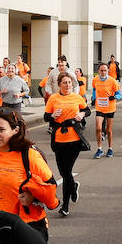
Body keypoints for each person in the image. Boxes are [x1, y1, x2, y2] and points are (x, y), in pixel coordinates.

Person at [0, 107, 59, 240]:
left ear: (15, 130)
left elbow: (51, 187)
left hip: (27, 227)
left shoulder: (30, 156)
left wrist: (33, 197)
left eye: (1, 130)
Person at [42, 74, 88, 217]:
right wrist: (52, 115)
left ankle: (65, 206)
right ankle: (73, 186)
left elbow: (87, 110)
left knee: (67, 172)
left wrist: (81, 114)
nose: (68, 85)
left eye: (69, 82)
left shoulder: (76, 97)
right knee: (64, 172)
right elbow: (45, 117)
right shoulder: (53, 98)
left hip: (74, 139)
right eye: (65, 83)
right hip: (58, 139)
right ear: (59, 84)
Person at [89, 63, 120, 158]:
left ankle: (110, 148)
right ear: (98, 71)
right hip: (99, 107)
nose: (103, 72)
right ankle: (99, 149)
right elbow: (94, 89)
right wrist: (94, 98)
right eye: (101, 70)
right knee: (98, 128)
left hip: (110, 107)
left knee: (109, 130)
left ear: (108, 71)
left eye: (105, 70)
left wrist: (114, 97)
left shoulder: (113, 81)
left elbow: (119, 94)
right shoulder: (95, 79)